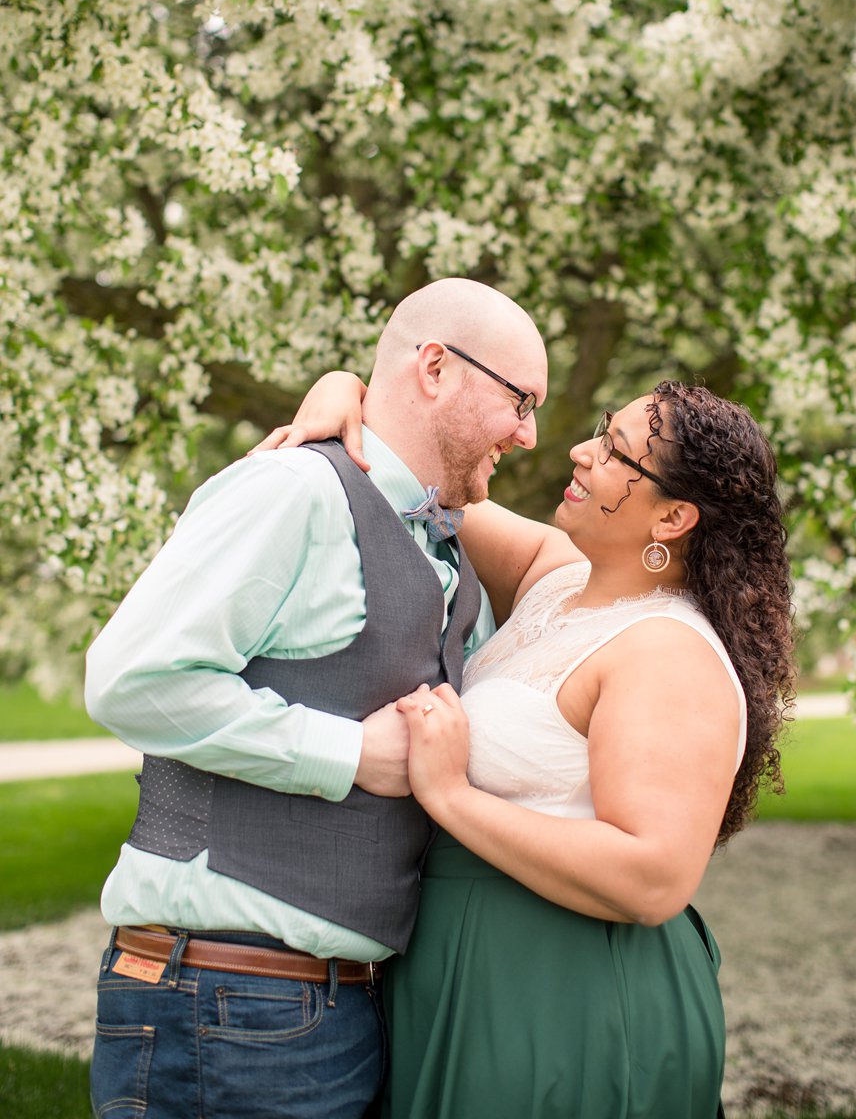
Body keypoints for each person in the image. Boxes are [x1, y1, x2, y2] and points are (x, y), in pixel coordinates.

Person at [260, 372, 795, 1118]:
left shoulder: (666, 654)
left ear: (672, 517)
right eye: (604, 428)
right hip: (465, 973)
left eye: (615, 452)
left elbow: (653, 878)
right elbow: (413, 482)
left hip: (568, 995)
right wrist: (346, 390)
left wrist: (450, 796)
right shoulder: (558, 577)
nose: (580, 451)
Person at [83, 278, 549, 1119]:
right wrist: (349, 754)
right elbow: (133, 679)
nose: (530, 432)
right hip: (223, 1001)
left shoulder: (442, 541)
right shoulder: (293, 491)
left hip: (340, 1010)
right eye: (520, 400)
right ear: (436, 368)